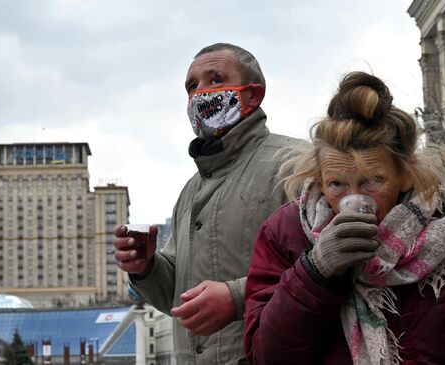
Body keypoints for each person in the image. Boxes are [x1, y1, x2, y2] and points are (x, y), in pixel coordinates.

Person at [244, 71, 445, 364]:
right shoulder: (285, 233)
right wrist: (317, 271)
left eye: (372, 181)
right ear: (319, 178)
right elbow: (267, 356)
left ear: (405, 176)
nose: (352, 198)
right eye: (336, 184)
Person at [113, 43, 307, 364]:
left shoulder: (297, 165)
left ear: (253, 95)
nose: (200, 93)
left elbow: (329, 264)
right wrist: (147, 267)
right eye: (192, 86)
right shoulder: (190, 191)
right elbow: (178, 297)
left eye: (215, 79)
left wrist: (237, 298)